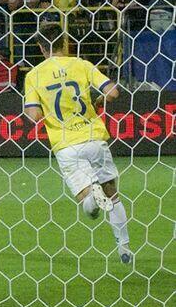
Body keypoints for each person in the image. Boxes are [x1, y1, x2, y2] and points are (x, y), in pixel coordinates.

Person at [24, 23, 131, 262]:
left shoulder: (34, 75)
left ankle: (91, 196)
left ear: (41, 47)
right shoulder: (81, 64)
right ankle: (124, 247)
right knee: (113, 196)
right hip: (94, 138)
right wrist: (97, 101)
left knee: (89, 205)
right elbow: (113, 92)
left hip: (66, 145)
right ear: (64, 42)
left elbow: (34, 115)